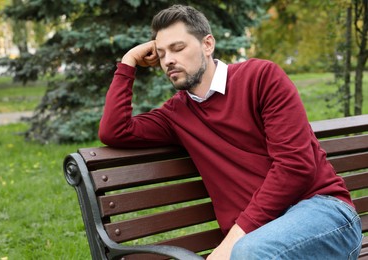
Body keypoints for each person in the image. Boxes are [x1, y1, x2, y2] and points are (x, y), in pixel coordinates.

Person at [98, 4, 363, 259]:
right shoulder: (175, 115)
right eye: (162, 53)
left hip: (322, 214)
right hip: (256, 237)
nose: (169, 60)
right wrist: (129, 61)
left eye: (177, 48)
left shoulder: (261, 77)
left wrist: (234, 239)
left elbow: (295, 166)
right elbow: (115, 131)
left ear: (207, 44)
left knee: (249, 252)